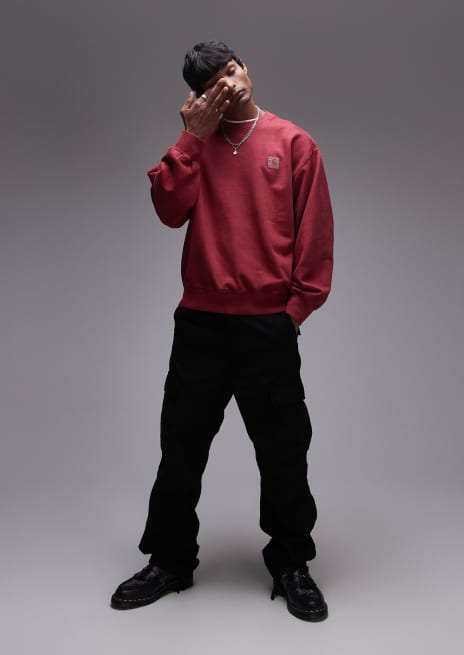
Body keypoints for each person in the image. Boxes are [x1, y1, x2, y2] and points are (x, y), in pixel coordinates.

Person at [110, 41, 334, 622]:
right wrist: (190, 138)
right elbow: (168, 210)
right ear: (201, 97)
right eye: (215, 83)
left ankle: (292, 563)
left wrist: (293, 314)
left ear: (246, 69)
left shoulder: (294, 143)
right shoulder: (196, 146)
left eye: (233, 70)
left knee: (284, 452)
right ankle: (169, 560)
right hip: (201, 325)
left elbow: (315, 237)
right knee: (180, 450)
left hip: (267, 327)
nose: (231, 83)